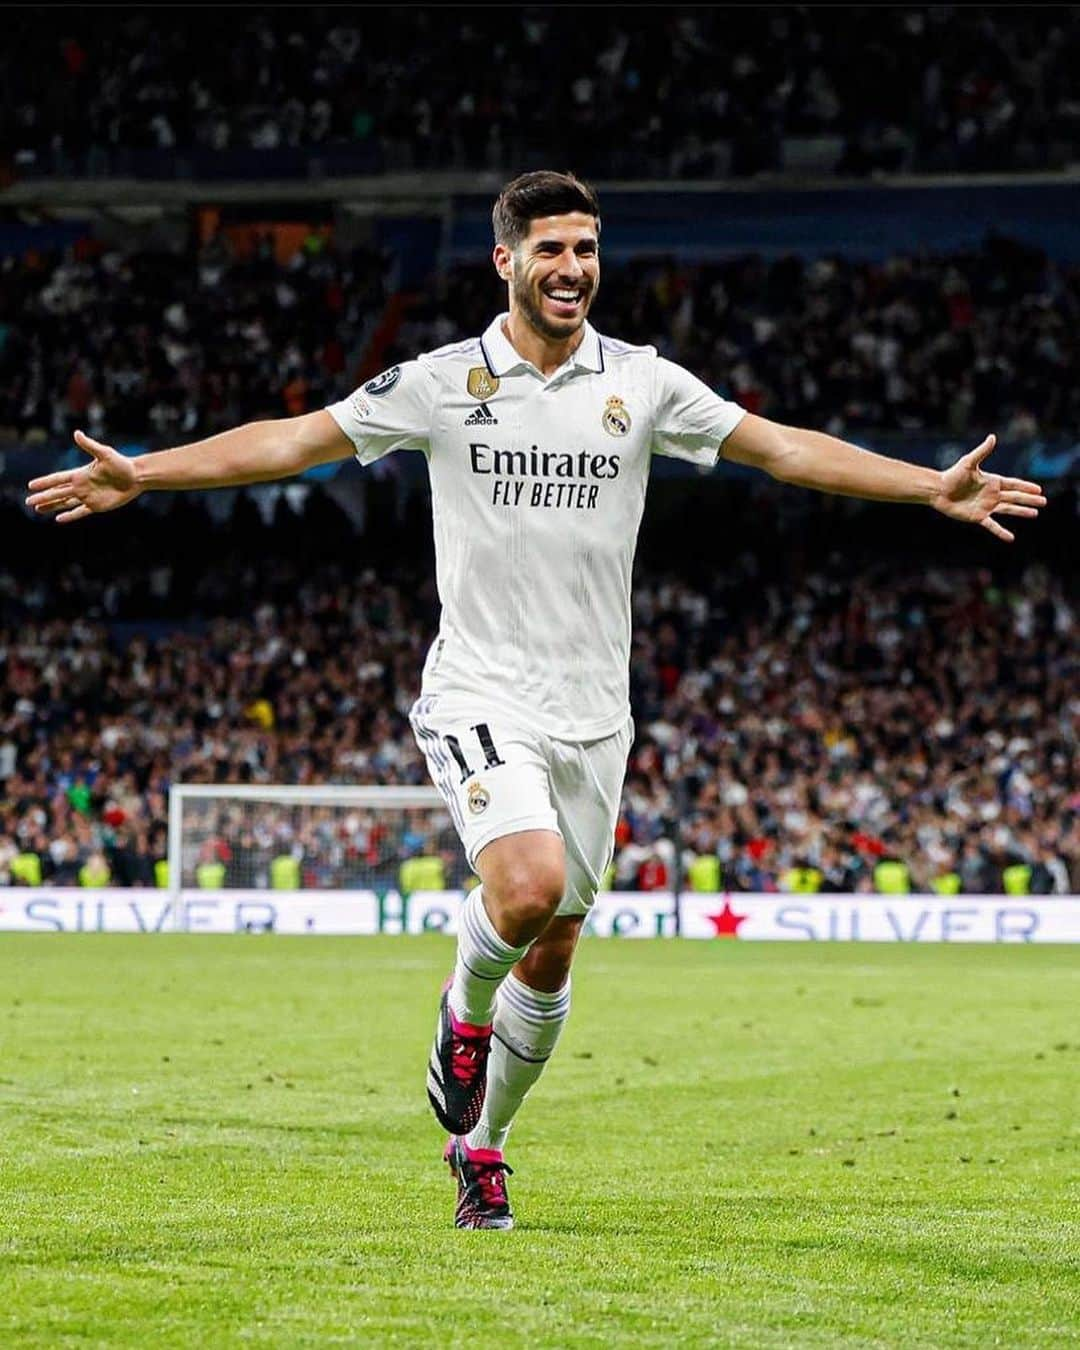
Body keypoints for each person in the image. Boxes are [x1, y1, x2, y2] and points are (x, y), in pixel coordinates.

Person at [26, 170, 1045, 1231]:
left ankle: (484, 1146)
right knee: (524, 889)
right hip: (481, 688)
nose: (573, 269)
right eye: (552, 250)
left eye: (587, 250)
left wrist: (929, 485)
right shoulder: (440, 381)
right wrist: (145, 475)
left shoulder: (644, 383)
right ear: (504, 260)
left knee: (555, 945)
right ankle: (460, 1016)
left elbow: (782, 449)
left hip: (595, 710)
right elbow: (294, 439)